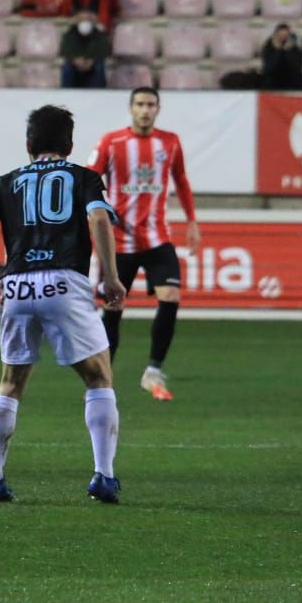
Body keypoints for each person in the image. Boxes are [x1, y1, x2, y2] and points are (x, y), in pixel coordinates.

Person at [0, 105, 126, 504]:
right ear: (69, 144)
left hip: (17, 286)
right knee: (98, 377)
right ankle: (103, 477)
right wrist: (109, 275)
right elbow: (100, 221)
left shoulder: (4, 182)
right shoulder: (84, 178)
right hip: (64, 281)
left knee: (11, 382)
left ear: (28, 144)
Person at [86, 87, 200, 402]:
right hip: (118, 240)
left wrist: (191, 220)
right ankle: (103, 374)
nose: (145, 110)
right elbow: (89, 180)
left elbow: (182, 180)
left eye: (150, 104)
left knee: (171, 295)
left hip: (157, 237)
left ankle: (153, 369)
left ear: (158, 109)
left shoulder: (170, 142)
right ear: (131, 108)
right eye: (140, 104)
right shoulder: (112, 142)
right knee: (113, 307)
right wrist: (95, 217)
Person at [59, 10, 110, 89]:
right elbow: (65, 51)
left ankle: (99, 92)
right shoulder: (69, 35)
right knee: (67, 66)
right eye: (82, 19)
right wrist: (75, 60)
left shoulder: (100, 35)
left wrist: (91, 61)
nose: (85, 22)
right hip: (74, 66)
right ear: (76, 21)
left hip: (92, 65)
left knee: (99, 66)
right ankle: (66, 92)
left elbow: (105, 51)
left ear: (93, 21)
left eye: (88, 19)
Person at [260, 24, 302, 90]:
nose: (283, 38)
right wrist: (278, 51)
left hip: (290, 78)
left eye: (285, 35)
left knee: (300, 79)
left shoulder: (294, 48)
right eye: (280, 35)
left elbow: (297, 68)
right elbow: (268, 67)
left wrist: (287, 51)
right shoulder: (268, 47)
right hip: (273, 78)